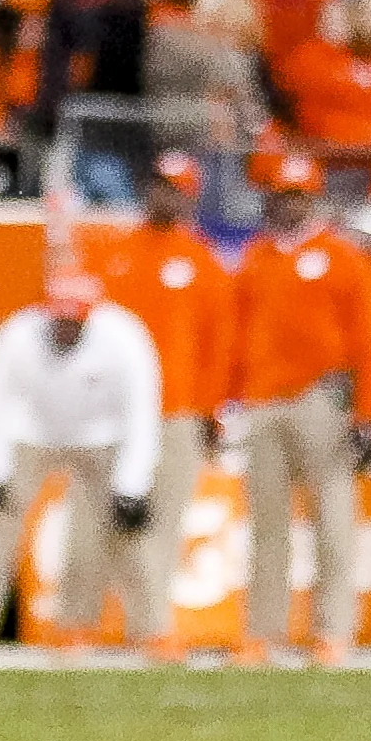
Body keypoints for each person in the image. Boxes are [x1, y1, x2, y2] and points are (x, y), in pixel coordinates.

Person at [0, 269, 161, 650]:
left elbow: (142, 414)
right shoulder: (17, 335)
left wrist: (131, 486)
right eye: (59, 319)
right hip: (31, 433)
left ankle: (151, 630)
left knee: (124, 528)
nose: (65, 328)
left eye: (74, 321)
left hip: (100, 435)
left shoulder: (124, 337)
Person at [229, 147, 371, 664]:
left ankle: (332, 630)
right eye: (281, 195)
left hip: (323, 399)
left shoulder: (344, 257)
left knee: (334, 520)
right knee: (266, 524)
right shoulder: (255, 257)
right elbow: (237, 336)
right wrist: (228, 401)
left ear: (312, 198)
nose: (289, 206)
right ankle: (262, 630)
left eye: (298, 196)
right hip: (262, 403)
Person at [87, 150, 232, 656]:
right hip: (118, 416)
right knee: (105, 516)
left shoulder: (204, 263)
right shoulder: (118, 253)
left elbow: (219, 346)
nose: (162, 194)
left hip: (177, 412)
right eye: (156, 184)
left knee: (163, 522)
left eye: (172, 186)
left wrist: (212, 412)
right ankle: (96, 621)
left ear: (188, 196)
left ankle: (152, 626)